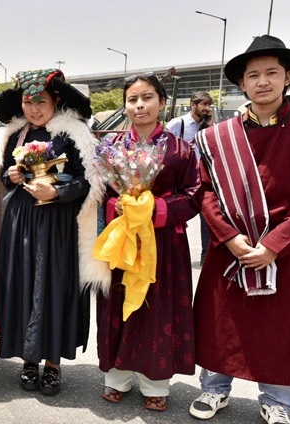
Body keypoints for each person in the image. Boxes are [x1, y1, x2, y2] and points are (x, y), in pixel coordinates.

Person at [190, 35, 290, 424]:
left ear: (288, 78)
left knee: (282, 327)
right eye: (253, 75)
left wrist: (274, 245)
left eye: (271, 73)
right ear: (242, 83)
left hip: (283, 250)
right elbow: (204, 192)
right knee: (224, 321)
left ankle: (278, 401)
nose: (262, 81)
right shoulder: (218, 138)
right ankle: (214, 389)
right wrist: (230, 237)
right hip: (229, 247)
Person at [0, 68, 109, 396]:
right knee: (24, 284)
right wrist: (11, 177)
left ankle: (53, 363)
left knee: (53, 288)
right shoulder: (15, 135)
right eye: (28, 102)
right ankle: (29, 359)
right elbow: (2, 179)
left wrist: (56, 191)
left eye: (40, 101)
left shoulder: (72, 135)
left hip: (57, 224)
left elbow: (87, 181)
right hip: (20, 223)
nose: (34, 109)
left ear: (55, 100)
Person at [96, 74, 200, 411]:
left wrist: (154, 209)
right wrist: (120, 207)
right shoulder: (111, 148)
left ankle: (155, 380)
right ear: (125, 104)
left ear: (161, 102)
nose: (140, 105)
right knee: (119, 306)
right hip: (121, 238)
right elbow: (99, 195)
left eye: (148, 98)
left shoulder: (181, 149)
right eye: (133, 99)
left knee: (157, 310)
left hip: (163, 242)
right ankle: (117, 377)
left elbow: (195, 196)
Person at [165, 91, 212, 265]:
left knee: (207, 217)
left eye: (209, 105)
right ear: (193, 105)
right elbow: (163, 144)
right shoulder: (179, 123)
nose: (207, 108)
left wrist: (210, 125)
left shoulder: (207, 125)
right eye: (204, 105)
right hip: (181, 179)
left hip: (202, 178)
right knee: (178, 217)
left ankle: (205, 255)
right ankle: (174, 254)